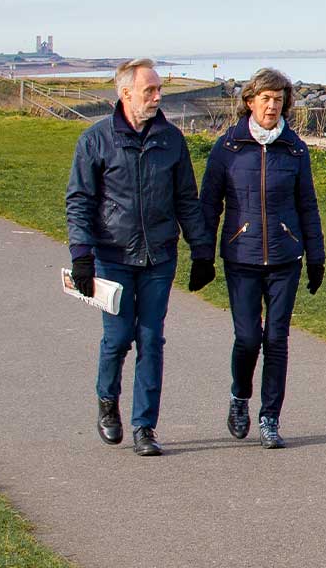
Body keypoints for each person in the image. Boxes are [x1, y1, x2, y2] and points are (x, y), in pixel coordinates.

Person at [66, 58, 215, 457]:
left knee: (151, 338)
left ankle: (144, 427)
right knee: (117, 338)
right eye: (150, 90)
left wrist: (201, 251)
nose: (157, 96)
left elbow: (186, 199)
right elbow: (79, 201)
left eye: (159, 89)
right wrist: (82, 255)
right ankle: (106, 401)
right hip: (112, 257)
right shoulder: (96, 140)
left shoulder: (171, 140)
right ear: (125, 93)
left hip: (159, 257)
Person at [201, 68, 326, 449]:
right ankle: (240, 396)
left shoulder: (295, 149)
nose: (272, 106)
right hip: (242, 256)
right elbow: (209, 204)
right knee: (248, 337)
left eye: (279, 99)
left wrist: (316, 256)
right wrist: (203, 255)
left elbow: (307, 204)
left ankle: (269, 418)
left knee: (276, 338)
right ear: (250, 102)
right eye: (265, 99)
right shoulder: (228, 148)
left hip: (286, 257)